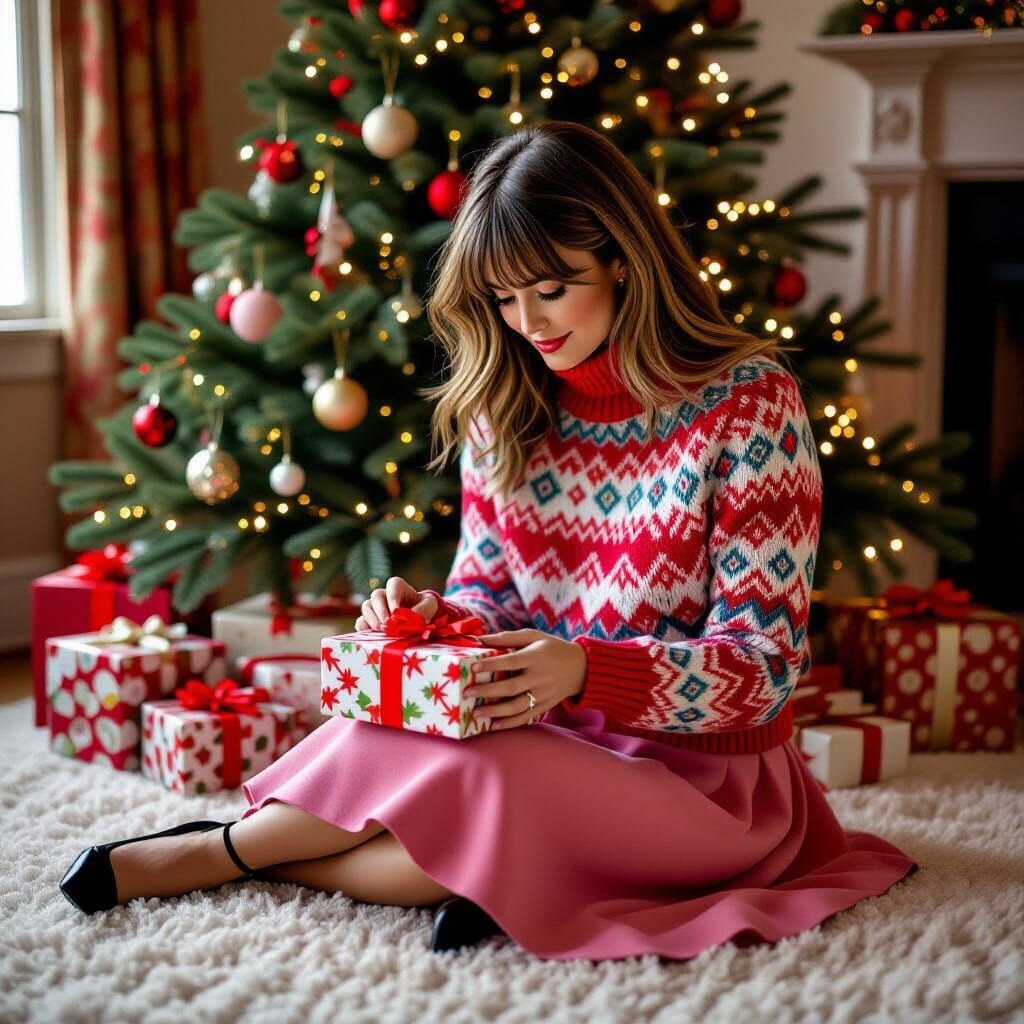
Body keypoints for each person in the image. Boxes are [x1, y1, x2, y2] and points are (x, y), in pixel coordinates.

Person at [59, 120, 918, 961]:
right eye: (503, 298)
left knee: (489, 781)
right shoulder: (503, 404)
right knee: (386, 731)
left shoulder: (748, 402)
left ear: (623, 259)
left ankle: (218, 853)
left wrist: (584, 668)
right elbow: (491, 599)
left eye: (551, 288)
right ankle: (472, 874)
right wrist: (435, 622)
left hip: (704, 782)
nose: (527, 323)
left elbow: (763, 670)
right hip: (552, 735)